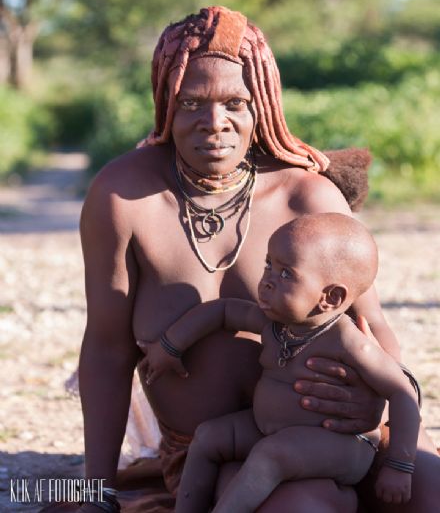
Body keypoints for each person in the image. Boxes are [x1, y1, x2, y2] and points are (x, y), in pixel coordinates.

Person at [76, 6, 439, 513]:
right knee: (301, 504)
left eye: (235, 102)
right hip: (224, 448)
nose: (214, 122)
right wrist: (97, 495)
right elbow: (108, 350)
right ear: (165, 104)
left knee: (432, 489)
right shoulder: (123, 196)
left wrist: (377, 403)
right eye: (191, 103)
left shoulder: (307, 197)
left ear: (262, 106)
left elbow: (371, 324)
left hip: (342, 436)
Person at [137, 213, 420, 512]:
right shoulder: (277, 325)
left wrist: (400, 466)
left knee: (271, 455)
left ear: (331, 297)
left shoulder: (349, 343)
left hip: (340, 447)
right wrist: (171, 344)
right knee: (208, 437)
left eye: (286, 274)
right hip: (270, 429)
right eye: (268, 265)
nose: (268, 281)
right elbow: (222, 311)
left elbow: (403, 393)